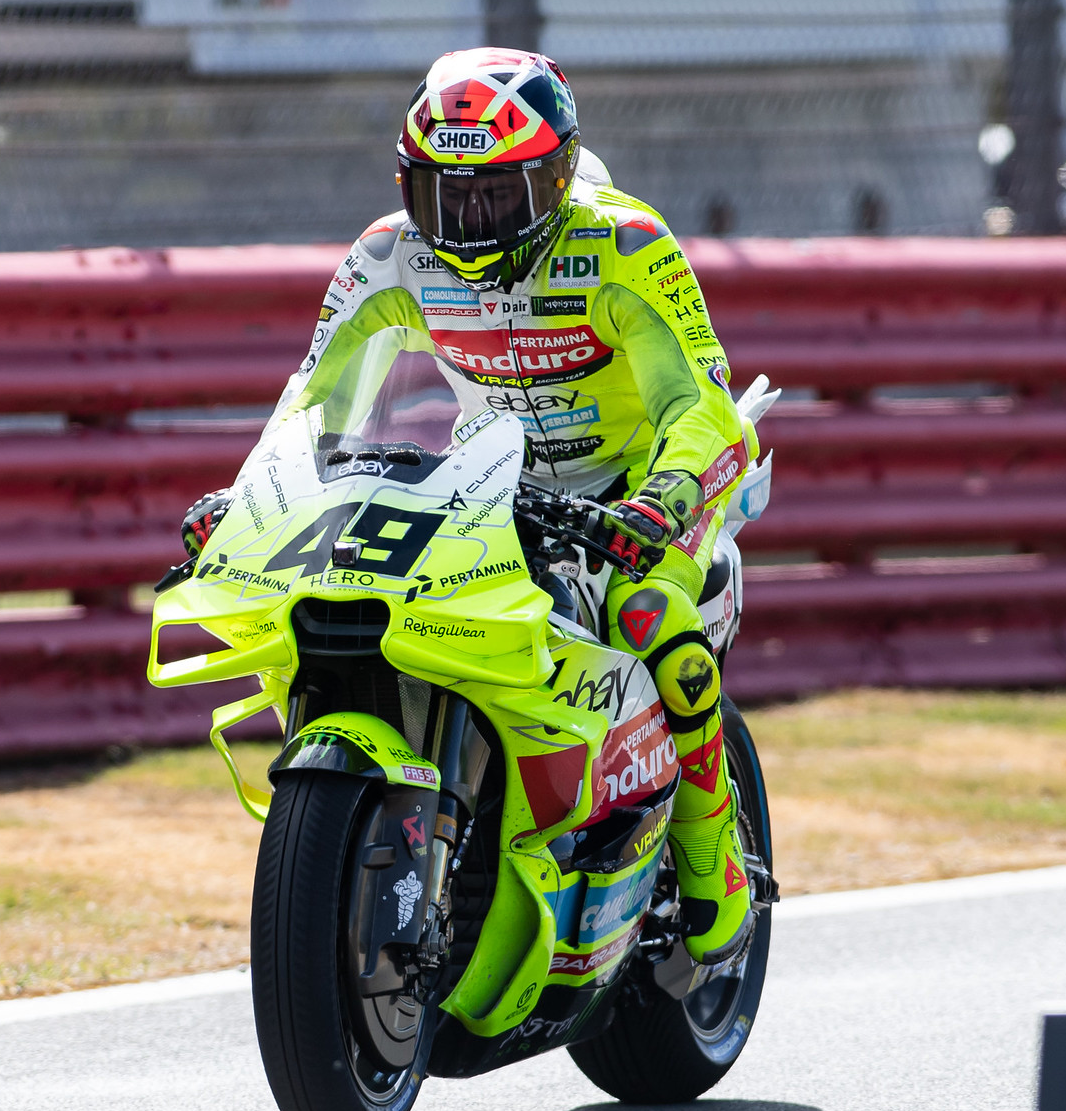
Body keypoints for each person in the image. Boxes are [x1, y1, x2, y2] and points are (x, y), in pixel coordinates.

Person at [179, 47, 758, 964]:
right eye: (444, 196)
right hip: (493, 484)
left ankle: (711, 862)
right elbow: (313, 398)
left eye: (496, 196)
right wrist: (251, 497)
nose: (470, 223)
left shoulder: (625, 246)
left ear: (557, 179)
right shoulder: (388, 256)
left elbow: (700, 403)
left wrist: (664, 498)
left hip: (633, 490)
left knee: (651, 615)